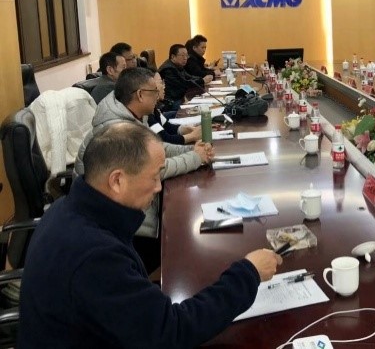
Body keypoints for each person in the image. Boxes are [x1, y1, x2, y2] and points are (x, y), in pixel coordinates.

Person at [19, 123, 281, 348]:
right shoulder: (94, 256)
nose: (158, 187)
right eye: (155, 176)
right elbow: (170, 332)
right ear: (117, 181)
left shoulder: (68, 208)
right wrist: (249, 274)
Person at [75, 68, 214, 270]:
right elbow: (153, 171)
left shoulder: (133, 116)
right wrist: (195, 158)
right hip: (120, 228)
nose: (158, 96)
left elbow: (155, 150)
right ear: (140, 95)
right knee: (185, 241)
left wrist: (191, 150)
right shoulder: (117, 129)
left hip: (128, 211)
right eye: (154, 92)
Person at [147, 70, 202, 145]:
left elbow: (168, 127)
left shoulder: (154, 109)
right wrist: (192, 136)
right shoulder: (146, 113)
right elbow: (164, 140)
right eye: (161, 82)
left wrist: (183, 129)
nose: (164, 86)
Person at [159, 43, 213, 109]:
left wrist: (203, 79)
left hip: (180, 98)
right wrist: (202, 80)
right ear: (173, 57)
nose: (185, 58)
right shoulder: (168, 70)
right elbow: (184, 83)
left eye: (186, 55)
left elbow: (189, 77)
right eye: (182, 55)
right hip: (171, 102)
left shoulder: (177, 66)